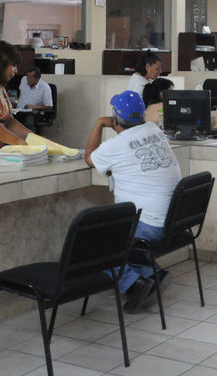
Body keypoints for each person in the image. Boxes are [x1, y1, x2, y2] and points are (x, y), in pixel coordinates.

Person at [85, 90, 181, 313]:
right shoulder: (154, 131)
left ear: (115, 119)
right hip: (173, 221)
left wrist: (99, 124)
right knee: (117, 234)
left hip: (150, 225)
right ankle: (153, 274)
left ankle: (134, 284)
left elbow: (89, 157)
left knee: (91, 239)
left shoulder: (115, 146)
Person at [15, 67, 53, 132]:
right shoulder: (23, 79)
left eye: (30, 78)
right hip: (19, 110)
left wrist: (33, 107)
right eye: (27, 77)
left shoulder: (45, 87)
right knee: (7, 119)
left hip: (33, 113)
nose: (27, 80)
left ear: (37, 79)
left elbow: (49, 106)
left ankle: (30, 137)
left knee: (28, 123)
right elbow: (21, 93)